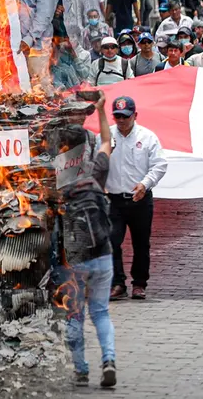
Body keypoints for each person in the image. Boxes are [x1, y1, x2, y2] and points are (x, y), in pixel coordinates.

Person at [61, 91, 117, 388]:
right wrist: (101, 111)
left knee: (74, 313)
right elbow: (107, 141)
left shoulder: (56, 180)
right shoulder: (97, 172)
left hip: (74, 258)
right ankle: (109, 359)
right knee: (101, 312)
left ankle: (81, 369)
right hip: (104, 255)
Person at [103, 96, 168, 300]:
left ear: (135, 115)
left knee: (141, 243)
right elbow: (95, 162)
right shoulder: (105, 136)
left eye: (125, 116)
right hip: (113, 199)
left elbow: (160, 164)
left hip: (139, 199)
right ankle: (118, 283)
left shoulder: (148, 137)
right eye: (117, 116)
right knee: (112, 241)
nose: (121, 121)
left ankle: (139, 283)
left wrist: (145, 183)